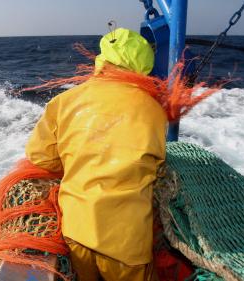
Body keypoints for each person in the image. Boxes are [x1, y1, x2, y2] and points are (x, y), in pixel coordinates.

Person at [25, 28, 164, 281]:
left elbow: (41, 157)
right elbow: (157, 163)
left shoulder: (64, 101)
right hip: (127, 242)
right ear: (143, 64)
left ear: (103, 59)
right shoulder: (153, 109)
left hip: (77, 230)